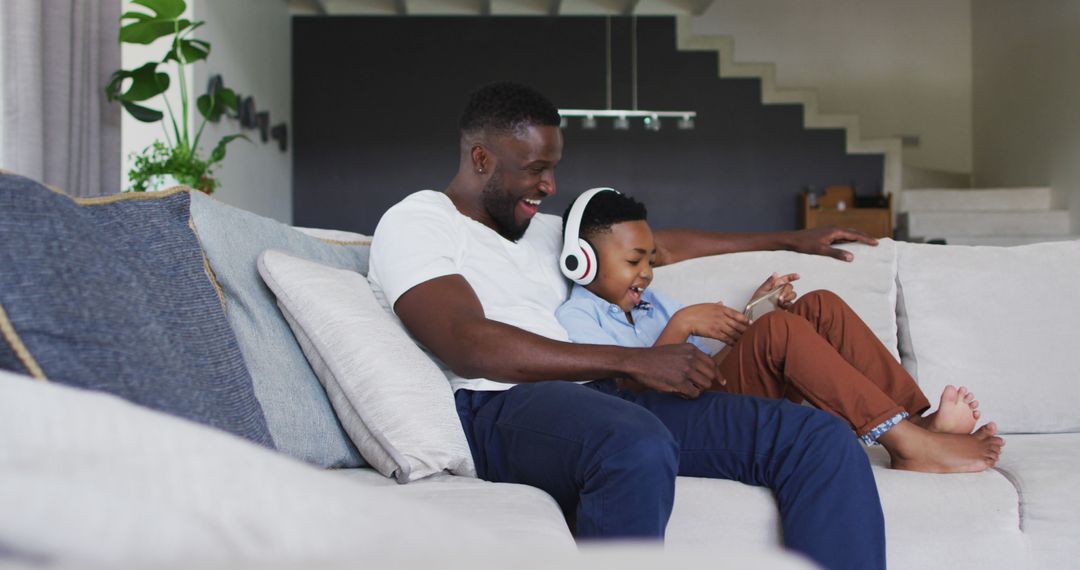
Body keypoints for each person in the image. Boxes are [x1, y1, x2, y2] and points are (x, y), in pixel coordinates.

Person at [368, 81, 886, 569]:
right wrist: (635, 361)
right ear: (482, 158)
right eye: (535, 168)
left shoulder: (541, 230)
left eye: (554, 167)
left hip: (598, 396)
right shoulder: (419, 220)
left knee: (818, 438)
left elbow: (662, 245)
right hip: (498, 404)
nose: (548, 185)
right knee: (633, 442)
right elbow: (467, 342)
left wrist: (789, 239)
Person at [555, 189, 1005, 474]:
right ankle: (907, 446)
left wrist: (751, 312)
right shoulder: (579, 319)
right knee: (778, 333)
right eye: (634, 262)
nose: (646, 273)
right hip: (682, 421)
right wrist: (682, 323)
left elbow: (705, 363)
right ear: (583, 262)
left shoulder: (653, 303)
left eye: (650, 261)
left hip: (709, 392)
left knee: (819, 307)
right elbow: (624, 394)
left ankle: (913, 421)